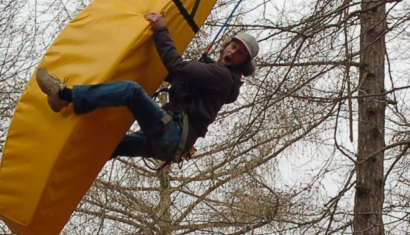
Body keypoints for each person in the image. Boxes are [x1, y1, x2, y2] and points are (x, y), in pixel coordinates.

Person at [35, 12, 258, 164]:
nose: (232, 52)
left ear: (243, 64)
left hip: (173, 135)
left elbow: (176, 67)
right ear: (226, 46)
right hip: (173, 146)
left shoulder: (223, 76)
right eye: (233, 46)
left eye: (239, 53)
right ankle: (67, 161)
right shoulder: (218, 80)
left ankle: (64, 95)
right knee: (111, 147)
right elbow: (175, 76)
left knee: (131, 91)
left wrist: (161, 30)